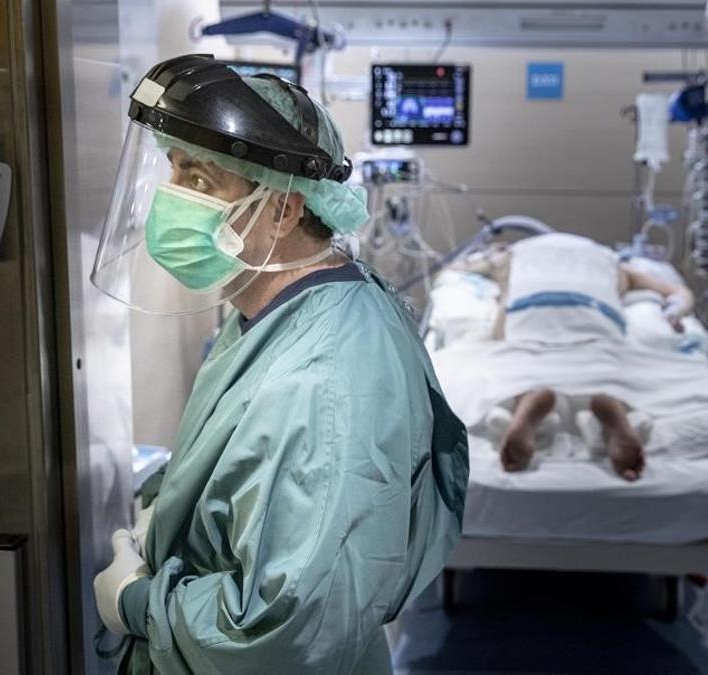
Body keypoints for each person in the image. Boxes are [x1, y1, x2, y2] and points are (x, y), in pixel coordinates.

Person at [89, 55, 468, 675]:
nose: (173, 197)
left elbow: (286, 631)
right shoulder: (276, 312)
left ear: (284, 210)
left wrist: (138, 603)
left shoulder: (325, 382)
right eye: (174, 168)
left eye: (203, 180)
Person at [455, 232, 695, 481]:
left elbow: (456, 271)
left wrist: (477, 261)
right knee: (604, 356)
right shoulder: (612, 262)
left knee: (516, 355)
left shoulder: (513, 256)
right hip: (594, 308)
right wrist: (674, 313)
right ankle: (610, 401)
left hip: (529, 307)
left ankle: (527, 398)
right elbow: (678, 292)